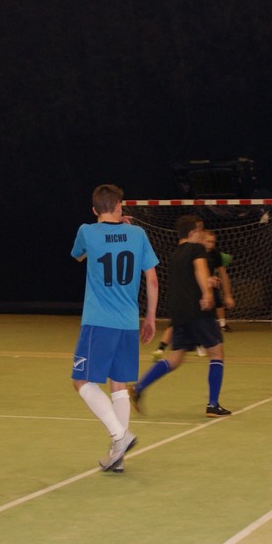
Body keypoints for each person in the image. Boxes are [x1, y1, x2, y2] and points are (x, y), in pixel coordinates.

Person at [70, 184, 159, 473]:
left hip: (99, 322)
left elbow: (79, 256)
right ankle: (117, 457)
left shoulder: (87, 231)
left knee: (81, 381)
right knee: (118, 386)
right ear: (119, 206)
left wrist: (108, 235)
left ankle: (120, 435)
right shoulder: (138, 234)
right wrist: (150, 317)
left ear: (95, 209)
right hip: (128, 322)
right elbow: (152, 279)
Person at [132, 216, 232, 417]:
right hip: (197, 310)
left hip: (178, 311)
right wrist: (207, 293)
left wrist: (208, 282)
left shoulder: (176, 253)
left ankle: (137, 388)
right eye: (200, 229)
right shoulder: (197, 249)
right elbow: (200, 269)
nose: (202, 233)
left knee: (175, 358)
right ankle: (213, 405)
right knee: (217, 353)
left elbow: (188, 278)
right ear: (193, 232)